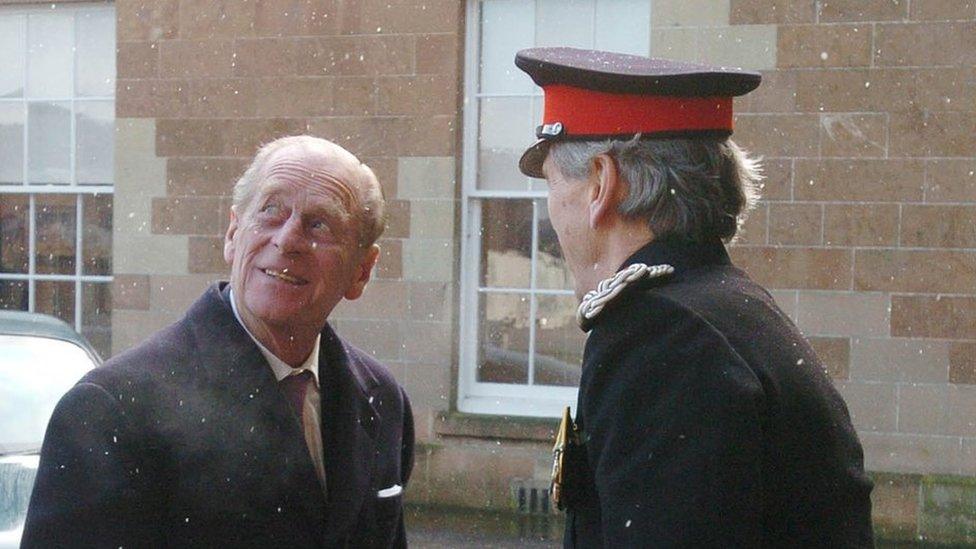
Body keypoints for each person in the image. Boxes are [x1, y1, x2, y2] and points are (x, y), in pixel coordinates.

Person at [515, 47, 874, 547]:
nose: (550, 215)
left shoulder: (661, 339)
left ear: (601, 183)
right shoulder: (729, 309)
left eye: (553, 184)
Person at [22, 136, 414, 548]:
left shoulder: (383, 401)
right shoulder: (112, 410)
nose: (287, 239)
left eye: (320, 224)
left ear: (362, 271)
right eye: (270, 210)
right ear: (232, 233)